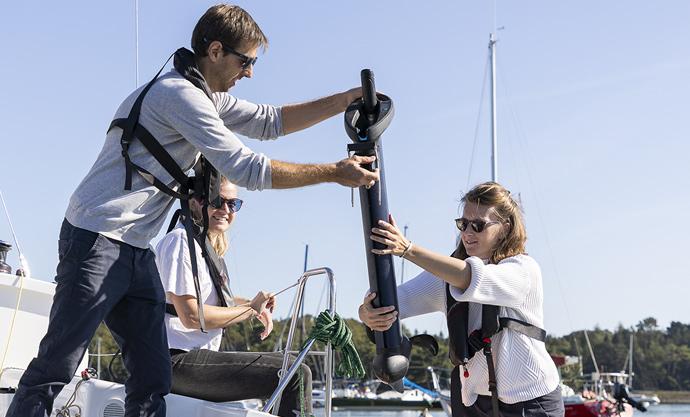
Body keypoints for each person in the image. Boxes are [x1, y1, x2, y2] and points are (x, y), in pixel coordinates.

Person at [6, 4, 378, 417]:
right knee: (57, 364)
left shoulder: (204, 97)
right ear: (216, 51)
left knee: (152, 375)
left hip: (134, 247)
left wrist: (346, 100)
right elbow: (245, 166)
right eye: (247, 61)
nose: (250, 72)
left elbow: (270, 122)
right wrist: (334, 173)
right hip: (97, 238)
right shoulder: (179, 96)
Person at [358, 182, 564, 417]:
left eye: (478, 225)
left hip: (532, 402)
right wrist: (367, 313)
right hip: (474, 401)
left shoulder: (524, 270)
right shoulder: (444, 278)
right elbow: (393, 302)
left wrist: (408, 249)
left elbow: (471, 277)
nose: (467, 233)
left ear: (505, 228)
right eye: (463, 224)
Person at [156, 177, 312, 417]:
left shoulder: (201, 244)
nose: (226, 210)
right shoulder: (180, 242)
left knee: (291, 367)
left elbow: (210, 299)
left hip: (191, 359)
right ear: (196, 202)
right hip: (175, 361)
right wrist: (250, 309)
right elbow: (191, 316)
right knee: (294, 373)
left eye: (234, 204)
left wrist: (252, 305)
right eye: (219, 201)